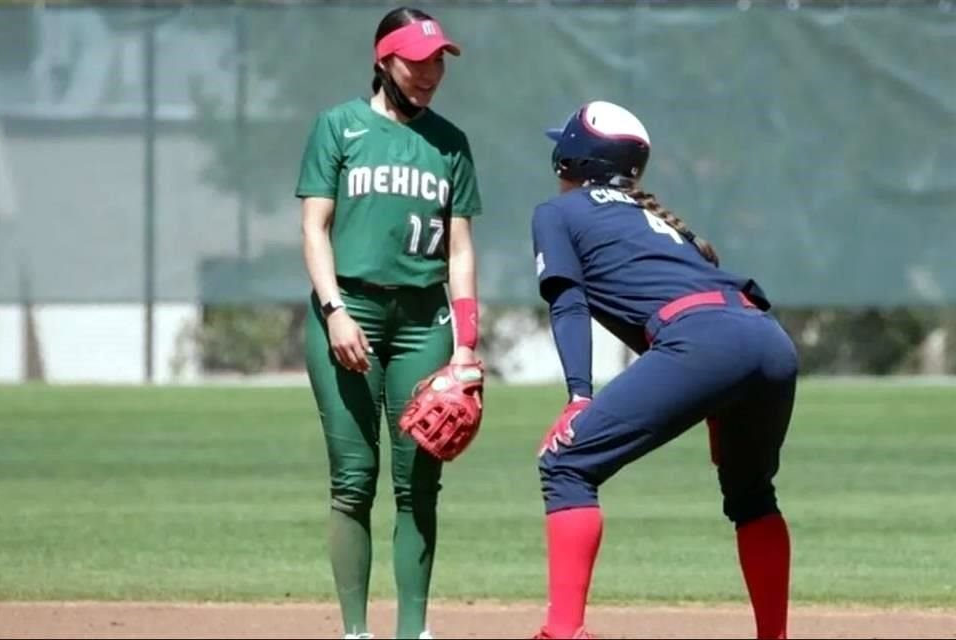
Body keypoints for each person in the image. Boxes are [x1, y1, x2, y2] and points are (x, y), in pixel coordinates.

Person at [530, 101, 798, 640]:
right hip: (768, 339)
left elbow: (568, 303)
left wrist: (579, 396)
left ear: (570, 160)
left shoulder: (557, 212)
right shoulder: (653, 218)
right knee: (751, 496)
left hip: (705, 341)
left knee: (566, 465)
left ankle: (562, 632)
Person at [294, 7, 483, 639]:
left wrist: (467, 345)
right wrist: (335, 311)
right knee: (354, 479)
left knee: (418, 481)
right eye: (415, 60)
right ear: (384, 60)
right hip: (350, 313)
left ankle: (414, 631)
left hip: (423, 320)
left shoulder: (450, 143)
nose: (429, 72)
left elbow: (458, 251)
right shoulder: (339, 128)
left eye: (437, 61)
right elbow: (315, 229)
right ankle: (355, 632)